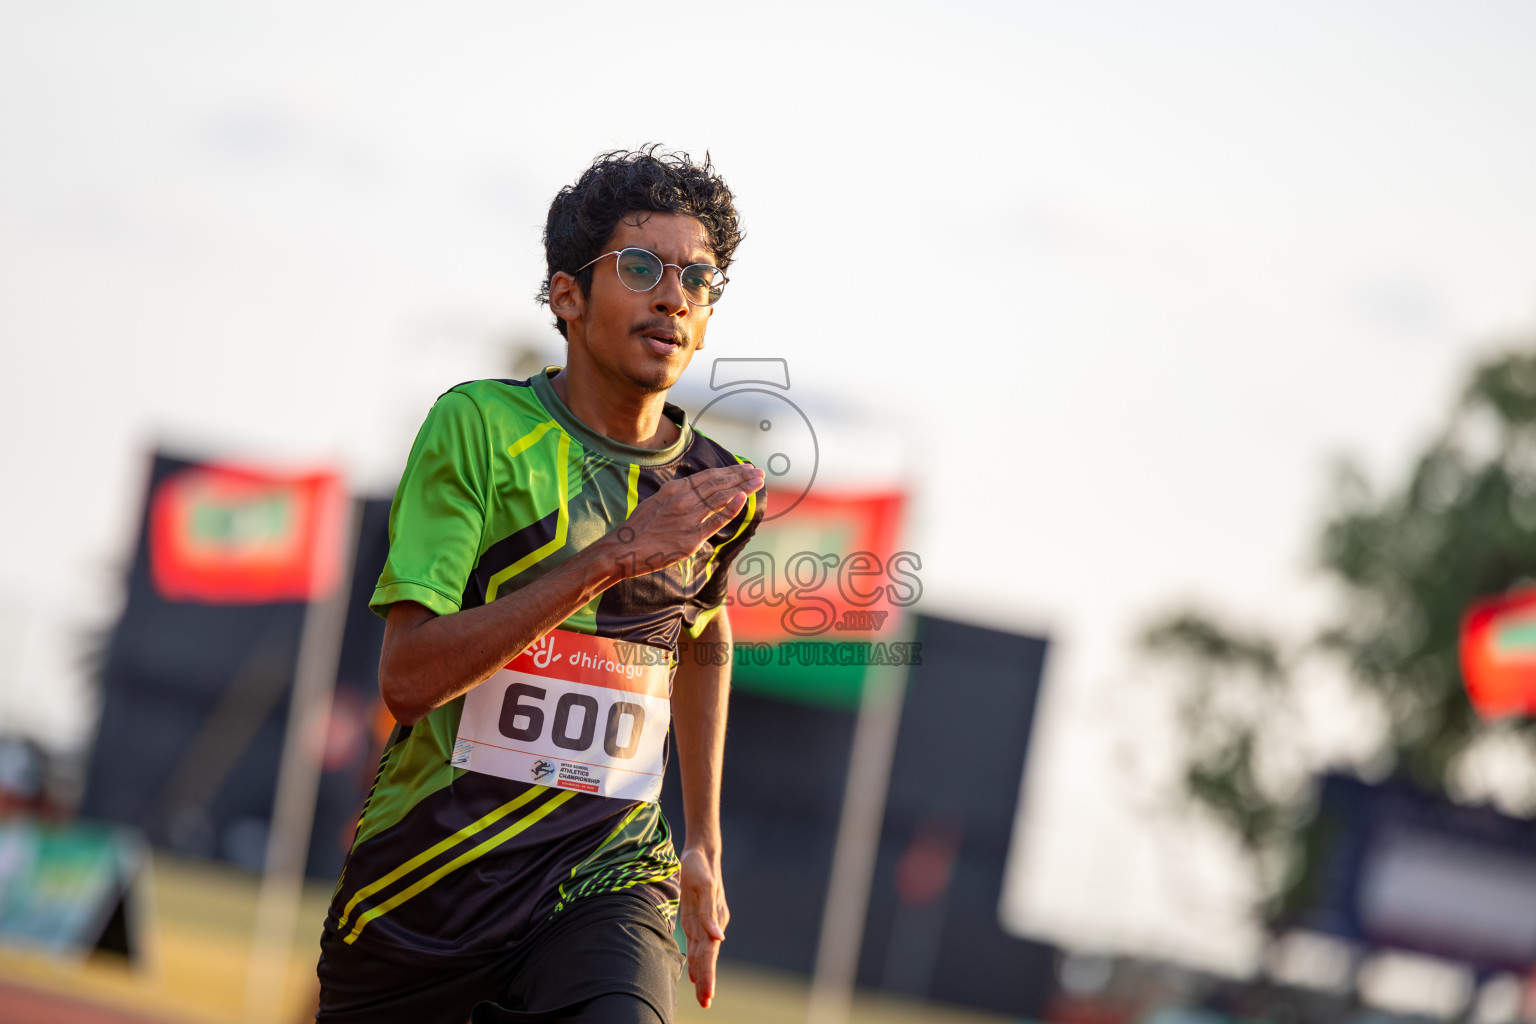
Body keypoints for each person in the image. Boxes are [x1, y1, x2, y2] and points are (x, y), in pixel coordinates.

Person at [315, 147, 765, 1024]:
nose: (673, 296)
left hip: (607, 878)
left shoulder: (714, 488)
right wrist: (611, 556)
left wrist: (702, 844)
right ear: (567, 296)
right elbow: (407, 679)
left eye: (699, 279)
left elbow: (704, 636)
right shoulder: (478, 427)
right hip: (427, 893)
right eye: (640, 267)